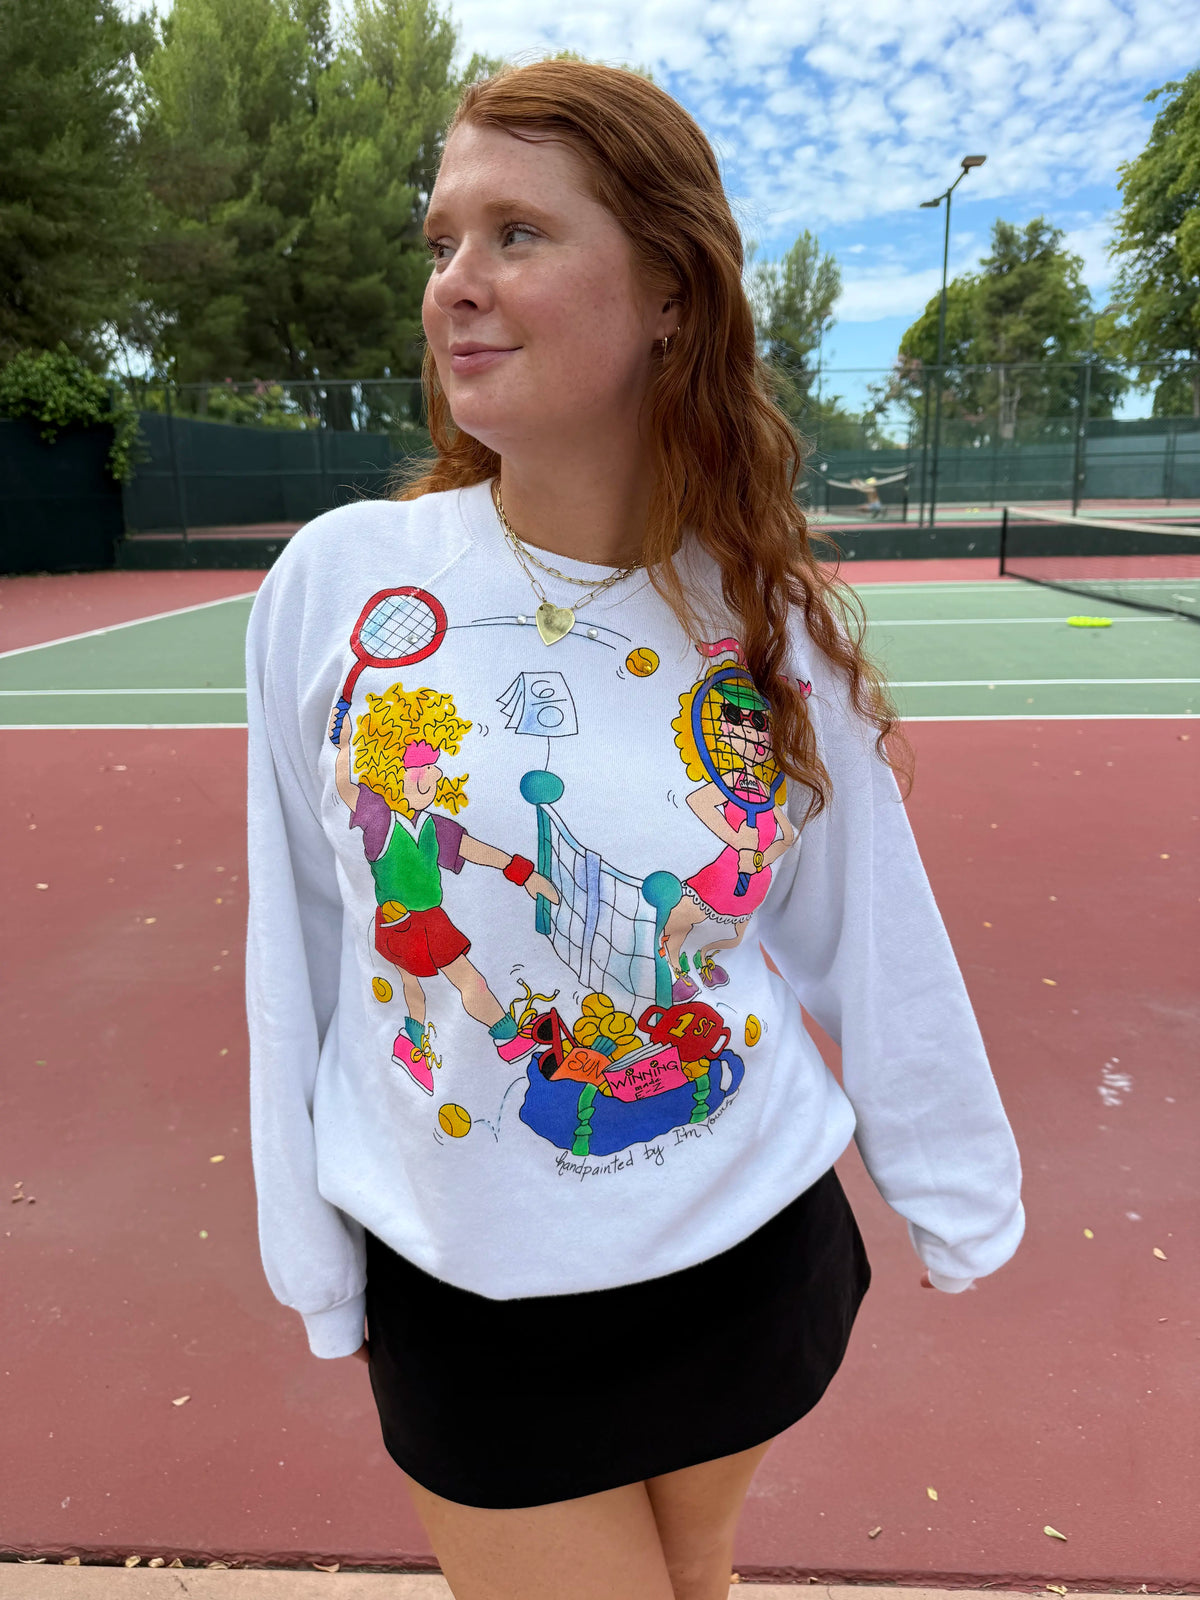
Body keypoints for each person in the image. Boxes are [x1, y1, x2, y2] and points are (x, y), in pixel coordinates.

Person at [244, 59, 1024, 1600]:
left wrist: (956, 1191)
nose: (455, 283)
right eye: (442, 241)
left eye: (517, 233)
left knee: (695, 1577)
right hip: (469, 1288)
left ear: (670, 293)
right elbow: (307, 943)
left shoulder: (765, 623)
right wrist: (314, 1253)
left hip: (748, 1255)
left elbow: (869, 927)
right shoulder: (342, 584)